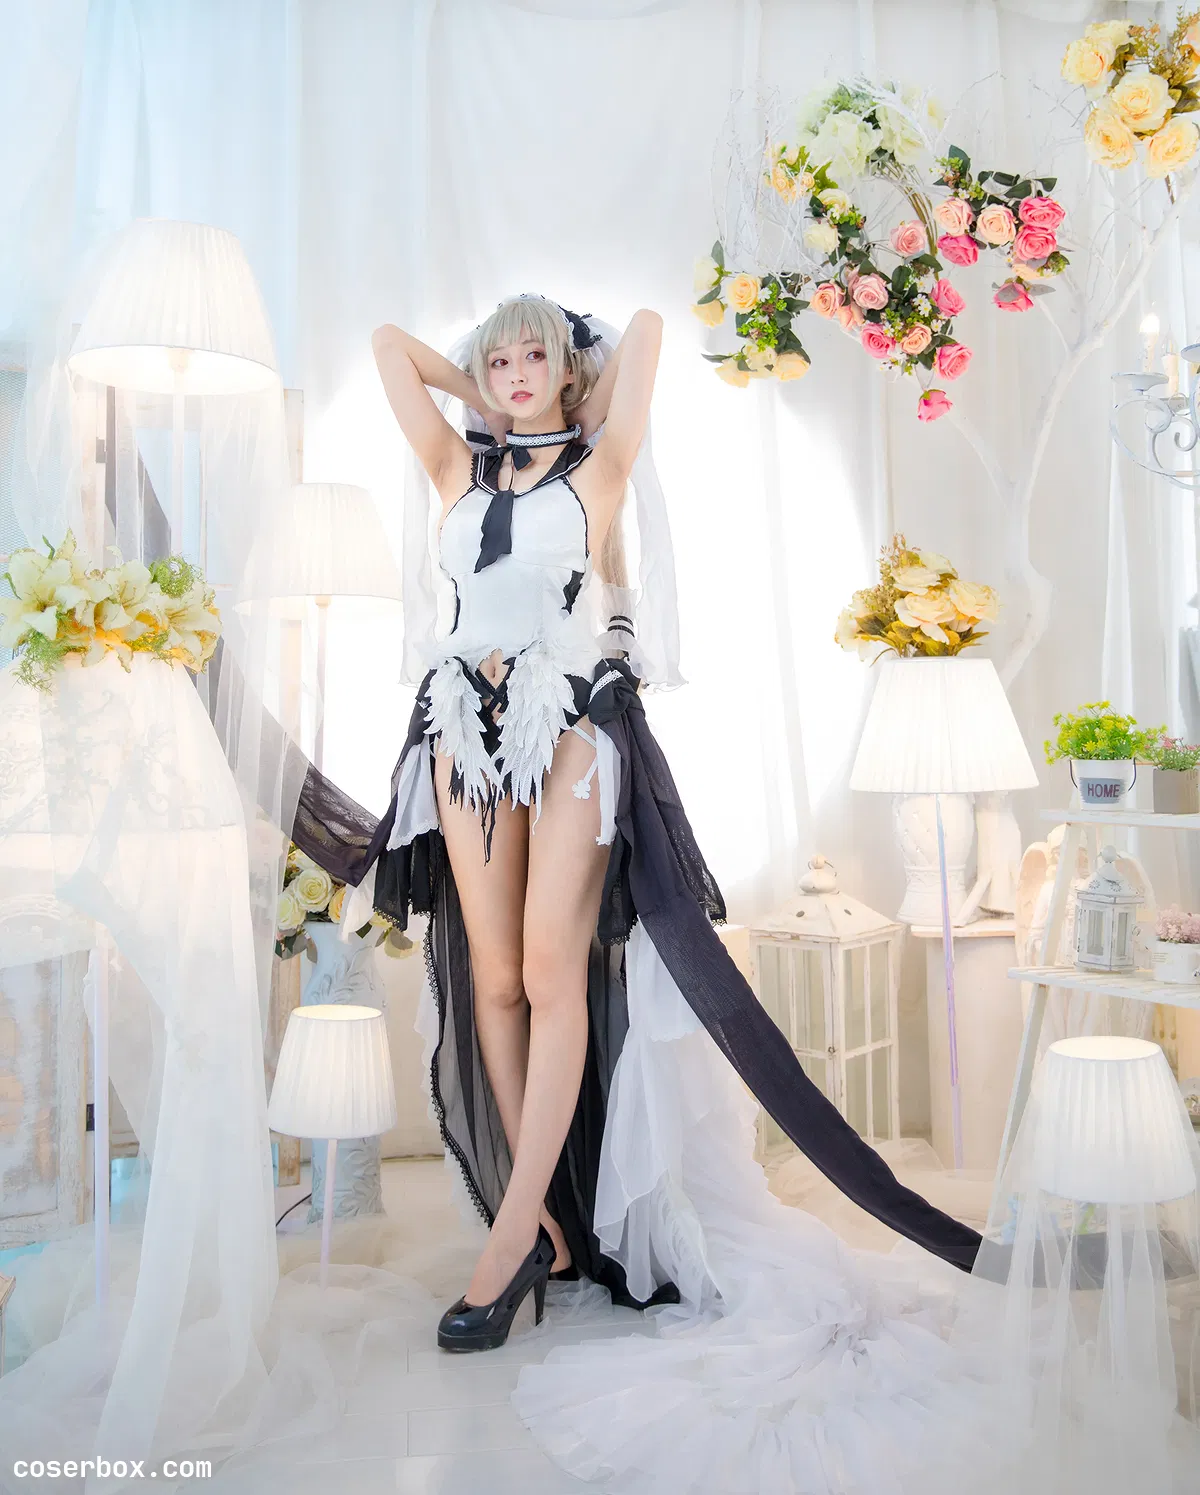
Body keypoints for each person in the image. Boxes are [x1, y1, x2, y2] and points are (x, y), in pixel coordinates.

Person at [290, 292, 979, 1366]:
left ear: (567, 370)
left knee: (553, 974)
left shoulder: (598, 468)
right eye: (499, 359)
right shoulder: (455, 469)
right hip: (462, 726)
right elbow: (387, 346)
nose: (516, 371)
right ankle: (539, 1222)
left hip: (571, 724)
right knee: (496, 981)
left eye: (536, 356)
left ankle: (510, 1240)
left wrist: (571, 391)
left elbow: (650, 330)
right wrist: (488, 399)